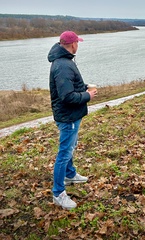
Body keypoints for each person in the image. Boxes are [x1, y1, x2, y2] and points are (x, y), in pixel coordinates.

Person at [47, 31, 97, 210]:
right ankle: (58, 193)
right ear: (73, 44)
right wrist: (87, 95)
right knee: (64, 153)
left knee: (70, 148)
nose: (78, 45)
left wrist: (83, 87)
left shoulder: (64, 61)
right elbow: (67, 96)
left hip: (71, 115)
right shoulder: (63, 65)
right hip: (68, 117)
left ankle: (70, 174)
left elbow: (69, 87)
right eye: (78, 42)